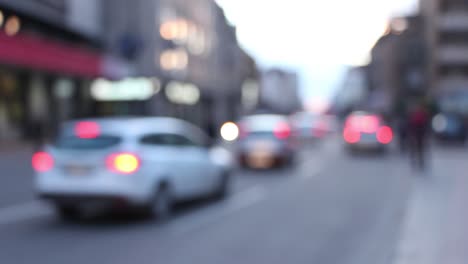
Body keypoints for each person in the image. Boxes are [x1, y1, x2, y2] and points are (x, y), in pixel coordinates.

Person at [407, 102, 430, 170]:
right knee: (416, 149)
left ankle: (419, 161)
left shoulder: (420, 114)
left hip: (419, 134)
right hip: (417, 134)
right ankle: (417, 161)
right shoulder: (415, 114)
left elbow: (426, 124)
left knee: (419, 149)